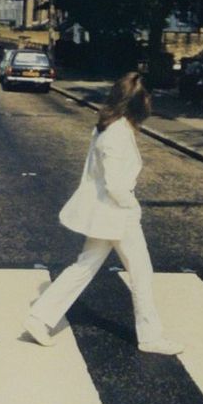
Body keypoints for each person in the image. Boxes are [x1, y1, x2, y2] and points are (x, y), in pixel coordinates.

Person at [22, 71, 183, 355]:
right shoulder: (117, 134)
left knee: (84, 266)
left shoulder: (107, 127)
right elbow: (115, 184)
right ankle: (150, 337)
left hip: (104, 214)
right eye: (147, 97)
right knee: (141, 273)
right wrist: (132, 206)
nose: (150, 102)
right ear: (137, 101)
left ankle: (39, 317)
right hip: (117, 215)